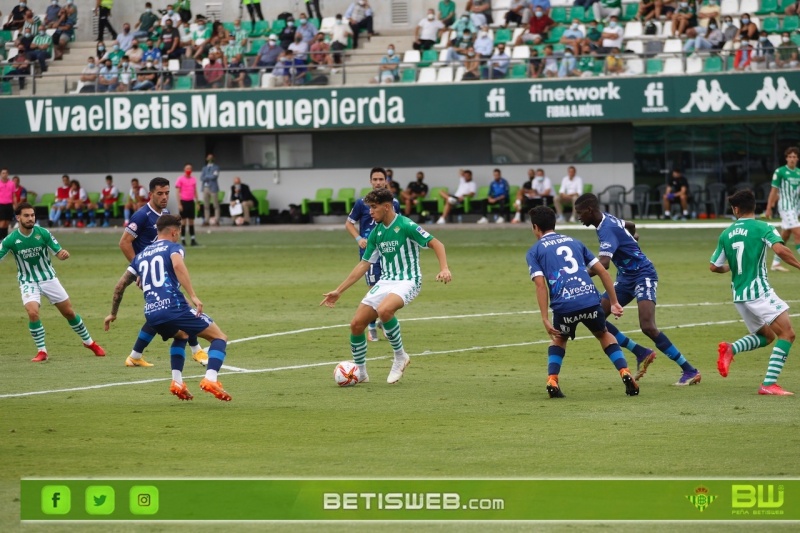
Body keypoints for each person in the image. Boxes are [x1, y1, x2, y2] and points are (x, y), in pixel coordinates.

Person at [323, 186, 451, 384]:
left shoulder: (406, 225)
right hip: (386, 282)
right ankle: (362, 373)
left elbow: (437, 244)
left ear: (387, 207)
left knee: (384, 310)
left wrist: (444, 268)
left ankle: (400, 357)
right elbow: (364, 264)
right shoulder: (376, 233)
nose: (370, 212)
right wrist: (339, 291)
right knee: (356, 324)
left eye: (373, 207)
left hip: (408, 280)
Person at [574, 193, 701, 385]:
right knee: (596, 318)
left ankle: (689, 370)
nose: (578, 217)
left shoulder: (606, 228)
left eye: (580, 213)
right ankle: (641, 352)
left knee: (648, 326)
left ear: (590, 210)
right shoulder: (607, 219)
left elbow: (605, 264)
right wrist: (632, 238)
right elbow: (631, 224)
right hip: (626, 278)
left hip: (643, 274)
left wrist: (578, 276)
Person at [105, 214, 230, 402]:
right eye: (178, 232)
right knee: (219, 337)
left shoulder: (140, 256)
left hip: (151, 313)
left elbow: (119, 287)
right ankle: (211, 379)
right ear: (174, 232)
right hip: (174, 307)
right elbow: (178, 265)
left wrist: (112, 314)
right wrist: (194, 296)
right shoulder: (174, 248)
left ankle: (177, 382)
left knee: (182, 335)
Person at [525, 205, 637, 399]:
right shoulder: (575, 242)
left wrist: (544, 318)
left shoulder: (534, 251)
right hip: (590, 300)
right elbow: (602, 271)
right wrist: (614, 301)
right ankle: (624, 372)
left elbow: (540, 286)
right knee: (603, 333)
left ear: (535, 227)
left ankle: (552, 379)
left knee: (559, 338)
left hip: (564, 306)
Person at [711, 189, 799, 396]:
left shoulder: (726, 233)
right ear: (754, 207)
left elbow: (714, 266)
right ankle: (769, 384)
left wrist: (732, 267)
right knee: (787, 334)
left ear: (736, 209)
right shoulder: (763, 227)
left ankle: (732, 348)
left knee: (766, 336)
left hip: (739, 295)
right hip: (758, 292)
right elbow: (780, 250)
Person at [119, 176, 207, 367]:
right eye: (160, 193)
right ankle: (197, 350)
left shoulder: (165, 213)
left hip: (162, 270)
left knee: (159, 311)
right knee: (177, 306)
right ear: (151, 194)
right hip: (151, 273)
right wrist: (140, 270)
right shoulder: (141, 216)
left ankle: (135, 355)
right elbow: (124, 243)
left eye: (167, 193)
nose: (165, 197)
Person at [0, 202, 105, 362]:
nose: (30, 218)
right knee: (32, 312)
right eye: (26, 216)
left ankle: (89, 342)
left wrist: (63, 254)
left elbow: (58, 251)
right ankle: (42, 351)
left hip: (49, 279)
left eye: (32, 215)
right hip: (28, 281)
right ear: (18, 217)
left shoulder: (43, 233)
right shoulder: (11, 240)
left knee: (69, 313)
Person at [344, 168, 401, 342]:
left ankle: (383, 320)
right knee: (373, 290)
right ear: (370, 182)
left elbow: (398, 225)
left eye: (381, 179)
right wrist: (359, 238)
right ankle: (371, 327)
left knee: (391, 290)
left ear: (386, 181)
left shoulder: (394, 203)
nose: (377, 182)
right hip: (369, 253)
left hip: (388, 252)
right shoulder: (362, 203)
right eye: (374, 179)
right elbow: (349, 223)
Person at [765, 147, 800, 273]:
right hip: (785, 207)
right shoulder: (780, 172)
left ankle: (775, 263)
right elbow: (774, 191)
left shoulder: (799, 173)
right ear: (786, 158)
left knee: (785, 235)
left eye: (794, 157)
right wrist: (769, 208)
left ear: (797, 159)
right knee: (798, 232)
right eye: (789, 157)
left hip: (795, 208)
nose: (792, 159)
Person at [175, 164, 199, 246]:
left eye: (190, 168)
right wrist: (179, 204)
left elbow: (195, 191)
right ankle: (183, 240)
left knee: (191, 221)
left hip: (191, 202)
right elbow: (177, 192)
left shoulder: (193, 179)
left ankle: (193, 239)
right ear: (184, 169)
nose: (188, 170)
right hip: (183, 202)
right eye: (187, 168)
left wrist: (198, 202)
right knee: (183, 222)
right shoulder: (180, 179)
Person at [200, 153, 220, 226]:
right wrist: (209, 176)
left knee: (215, 205)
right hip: (205, 187)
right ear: (206, 159)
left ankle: (217, 220)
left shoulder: (216, 167)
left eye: (211, 157)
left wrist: (207, 176)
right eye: (208, 157)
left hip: (213, 188)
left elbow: (214, 177)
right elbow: (201, 178)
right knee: (206, 205)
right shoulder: (204, 168)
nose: (210, 159)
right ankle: (206, 220)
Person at [0, 168, 14, 239]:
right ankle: (0, 238)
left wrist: (15, 205)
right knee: (2, 223)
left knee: (7, 223)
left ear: (8, 174)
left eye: (6, 173)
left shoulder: (11, 183)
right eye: (3, 173)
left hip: (9, 205)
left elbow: (13, 195)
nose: (4, 174)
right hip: (1, 205)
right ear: (0, 174)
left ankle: (4, 239)